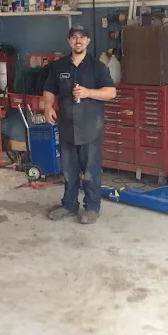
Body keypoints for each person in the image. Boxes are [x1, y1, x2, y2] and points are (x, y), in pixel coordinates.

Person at [43, 25, 117, 224]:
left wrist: (88, 92)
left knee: (90, 171)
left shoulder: (97, 67)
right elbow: (49, 89)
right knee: (69, 171)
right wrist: (48, 106)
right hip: (67, 128)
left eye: (82, 37)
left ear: (88, 41)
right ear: (69, 41)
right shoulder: (59, 66)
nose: (78, 41)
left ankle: (92, 207)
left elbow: (111, 92)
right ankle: (69, 205)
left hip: (90, 128)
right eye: (74, 37)